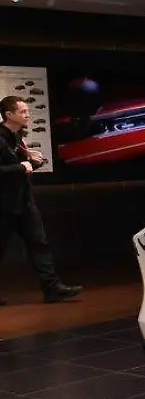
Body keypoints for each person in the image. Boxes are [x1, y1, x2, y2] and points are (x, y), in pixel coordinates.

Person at [0, 96, 83, 305]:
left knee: (39, 243)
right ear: (9, 115)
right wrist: (22, 166)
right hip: (3, 205)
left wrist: (32, 162)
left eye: (28, 111)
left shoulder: (18, 137)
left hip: (24, 200)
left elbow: (22, 169)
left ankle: (52, 288)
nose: (28, 115)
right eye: (23, 112)